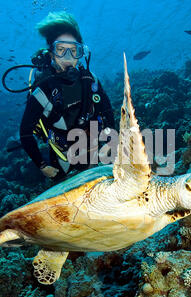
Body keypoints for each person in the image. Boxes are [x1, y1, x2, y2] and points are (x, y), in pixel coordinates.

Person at [19, 11, 115, 179]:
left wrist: (112, 141)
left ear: (81, 53)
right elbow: (25, 132)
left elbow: (107, 111)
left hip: (93, 145)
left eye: (74, 50)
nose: (68, 57)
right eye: (61, 50)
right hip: (62, 153)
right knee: (62, 184)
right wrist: (42, 166)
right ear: (51, 54)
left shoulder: (91, 81)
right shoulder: (42, 92)